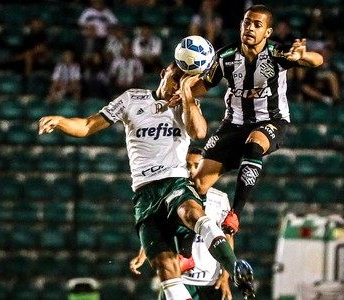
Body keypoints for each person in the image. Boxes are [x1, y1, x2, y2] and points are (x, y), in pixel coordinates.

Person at [38, 63, 255, 300]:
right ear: (164, 73)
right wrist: (60, 121)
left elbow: (200, 133)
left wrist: (187, 94)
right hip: (144, 195)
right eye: (178, 75)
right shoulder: (132, 99)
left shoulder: (186, 105)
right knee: (165, 269)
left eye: (188, 78)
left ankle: (235, 268)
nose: (181, 80)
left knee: (192, 213)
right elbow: (89, 125)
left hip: (175, 183)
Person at [178, 4, 323, 235]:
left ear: (267, 32)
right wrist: (182, 92)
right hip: (233, 124)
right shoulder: (225, 56)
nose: (250, 28)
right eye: (247, 23)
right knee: (198, 184)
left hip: (271, 120)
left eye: (258, 25)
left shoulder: (277, 54)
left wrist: (303, 56)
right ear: (240, 26)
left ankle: (235, 213)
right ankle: (188, 251)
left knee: (254, 143)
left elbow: (317, 61)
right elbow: (205, 85)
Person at [130, 147, 233, 300]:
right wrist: (143, 254)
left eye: (197, 165)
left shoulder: (220, 199)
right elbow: (157, 229)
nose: (192, 171)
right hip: (179, 279)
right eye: (187, 165)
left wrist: (225, 277)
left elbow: (227, 237)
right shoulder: (171, 197)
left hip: (210, 281)